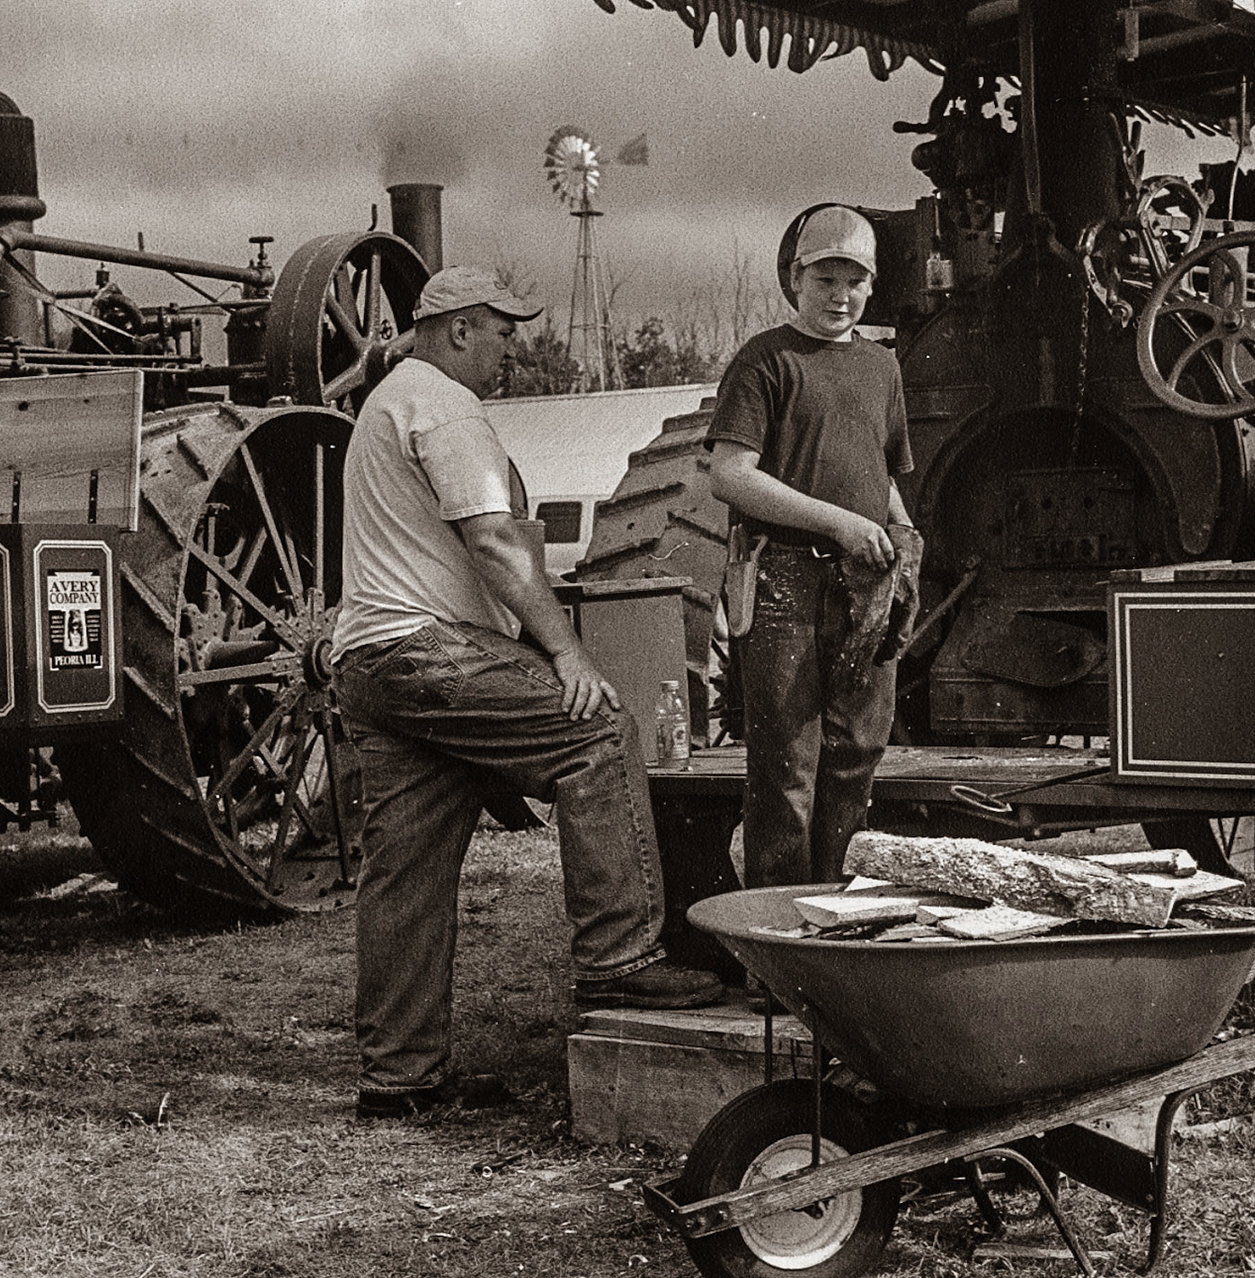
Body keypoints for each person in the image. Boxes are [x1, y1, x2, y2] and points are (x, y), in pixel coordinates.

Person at [332, 265, 723, 1120]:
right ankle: (621, 961)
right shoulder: (444, 405)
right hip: (428, 649)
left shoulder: (389, 402)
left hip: (370, 660)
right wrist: (567, 656)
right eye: (504, 331)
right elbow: (500, 546)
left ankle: (400, 1078)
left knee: (407, 867)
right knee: (598, 733)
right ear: (461, 329)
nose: (514, 348)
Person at [706, 206, 922, 889]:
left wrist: (905, 540)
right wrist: (838, 524)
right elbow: (731, 475)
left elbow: (879, 473)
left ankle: (838, 925)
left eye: (854, 281)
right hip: (784, 585)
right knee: (787, 770)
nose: (840, 296)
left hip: (865, 584)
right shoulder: (764, 361)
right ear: (797, 279)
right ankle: (777, 951)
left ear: (872, 286)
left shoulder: (882, 367)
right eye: (825, 278)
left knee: (857, 756)